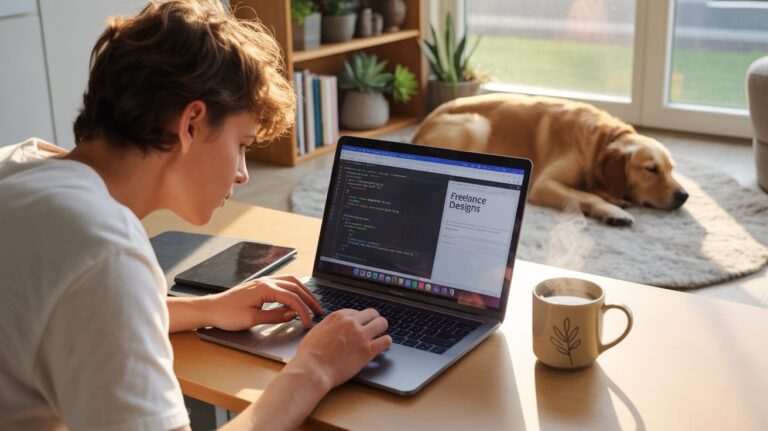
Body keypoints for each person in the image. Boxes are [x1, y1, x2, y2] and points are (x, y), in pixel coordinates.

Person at [0, 1, 391, 430]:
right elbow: (95, 287)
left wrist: (208, 309)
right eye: (241, 145)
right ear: (191, 124)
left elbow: (65, 309)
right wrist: (313, 367)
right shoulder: (105, 253)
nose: (243, 174)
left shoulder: (19, 163)